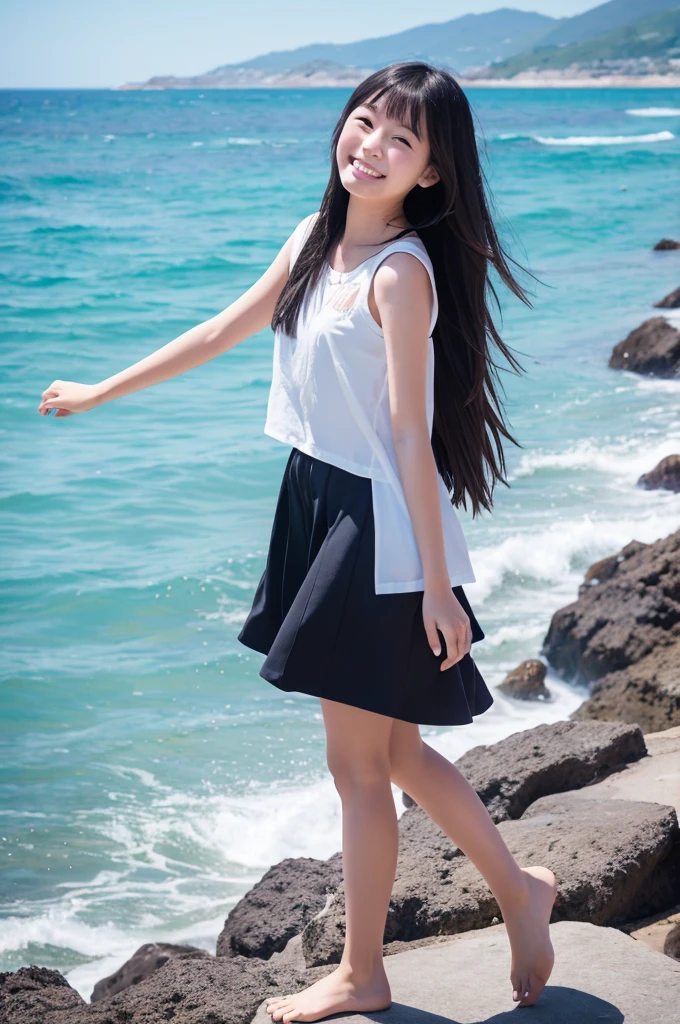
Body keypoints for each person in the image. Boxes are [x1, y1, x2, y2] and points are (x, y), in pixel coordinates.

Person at [38, 61, 556, 1020]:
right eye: (365, 122)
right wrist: (102, 390)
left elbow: (410, 436)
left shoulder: (402, 274)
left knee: (359, 766)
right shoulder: (317, 238)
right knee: (393, 756)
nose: (372, 147)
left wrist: (438, 589)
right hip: (319, 500)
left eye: (402, 141)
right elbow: (218, 330)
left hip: (377, 526)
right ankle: (521, 893)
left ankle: (365, 974)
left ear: (431, 175)